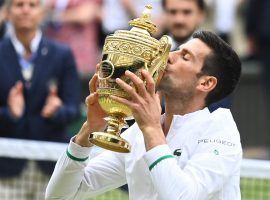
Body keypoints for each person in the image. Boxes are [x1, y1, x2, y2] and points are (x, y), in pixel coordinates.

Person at [46, 30, 242, 200]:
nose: (169, 56)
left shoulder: (221, 131)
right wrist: (89, 129)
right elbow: (59, 195)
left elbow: (183, 196)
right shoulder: (139, 133)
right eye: (176, 49)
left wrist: (151, 129)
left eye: (185, 56)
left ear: (206, 83)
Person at [0, 0, 81, 199]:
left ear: (42, 13)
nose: (26, 10)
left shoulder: (62, 54)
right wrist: (9, 113)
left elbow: (75, 110)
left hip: (51, 168)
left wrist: (57, 111)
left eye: (32, 4)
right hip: (6, 168)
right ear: (8, 13)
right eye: (19, 5)